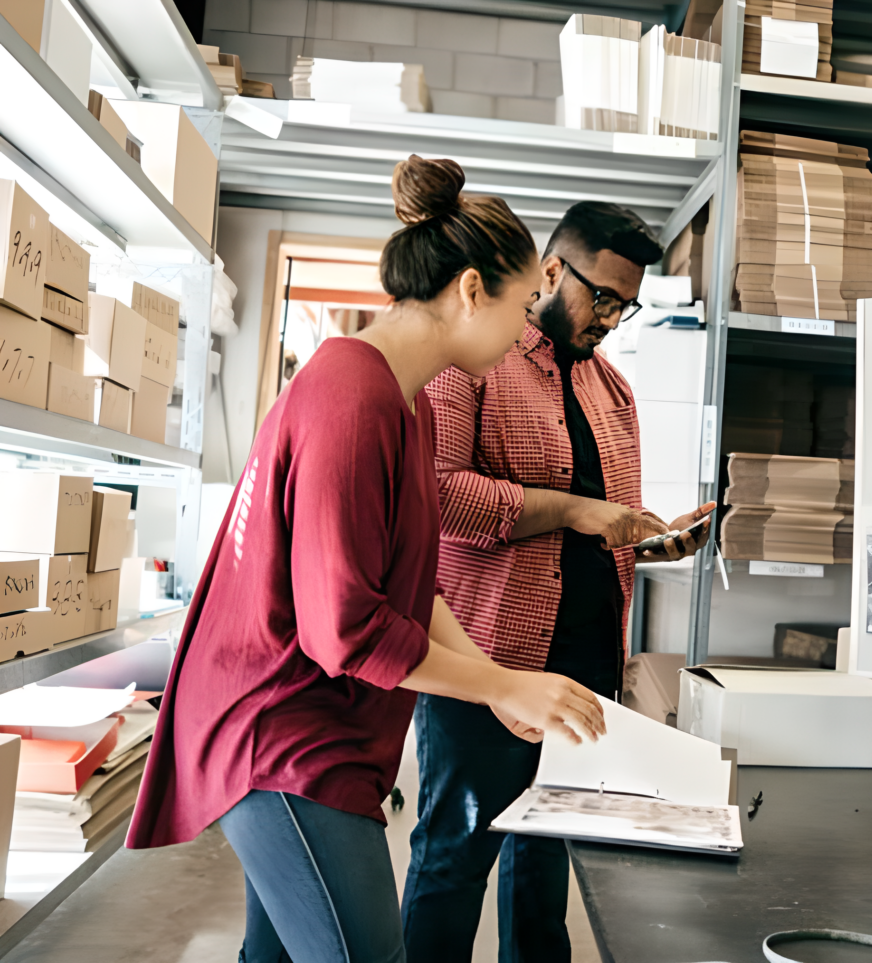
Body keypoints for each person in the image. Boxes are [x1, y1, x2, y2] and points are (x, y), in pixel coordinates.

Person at [126, 156, 607, 963]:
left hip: (308, 721)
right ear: (468, 292)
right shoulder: (352, 397)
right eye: (524, 303)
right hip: (277, 729)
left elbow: (409, 590)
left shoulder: (403, 399)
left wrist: (493, 687)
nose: (530, 328)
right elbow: (343, 628)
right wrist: (504, 681)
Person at [402, 201, 714, 962]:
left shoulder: (615, 392)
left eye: (625, 302)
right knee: (455, 854)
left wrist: (652, 545)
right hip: (486, 663)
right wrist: (578, 510)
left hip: (586, 670)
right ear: (549, 271)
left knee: (545, 865)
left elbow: (587, 539)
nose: (610, 316)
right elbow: (440, 496)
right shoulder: (473, 364)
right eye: (600, 295)